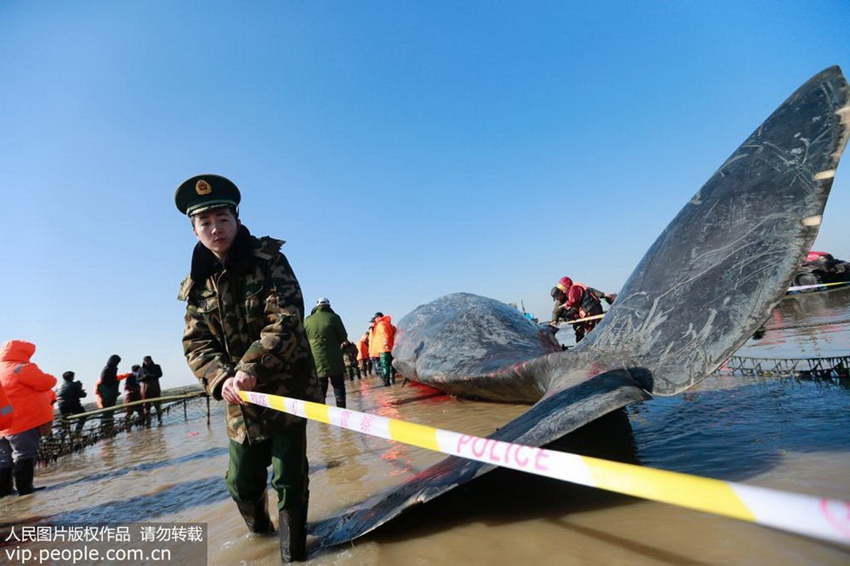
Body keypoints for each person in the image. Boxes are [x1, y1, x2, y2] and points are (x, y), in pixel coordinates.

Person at [175, 174, 322, 563]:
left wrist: (252, 365)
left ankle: (293, 554)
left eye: (222, 218)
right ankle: (260, 537)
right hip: (239, 398)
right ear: (194, 229)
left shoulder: (268, 259)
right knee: (241, 481)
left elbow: (287, 317)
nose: (215, 228)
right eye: (204, 222)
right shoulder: (196, 285)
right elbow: (196, 343)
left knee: (290, 478)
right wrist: (222, 378)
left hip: (287, 389)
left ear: (237, 220)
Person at [0, 340, 57, 496]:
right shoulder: (20, 368)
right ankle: (25, 488)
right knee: (24, 454)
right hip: (23, 422)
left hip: (3, 424)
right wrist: (52, 378)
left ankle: (4, 491)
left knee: (4, 458)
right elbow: (47, 383)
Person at [304, 298, 350, 408]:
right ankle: (341, 412)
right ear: (329, 306)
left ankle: (322, 419)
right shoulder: (334, 318)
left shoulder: (307, 320)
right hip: (334, 359)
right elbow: (343, 337)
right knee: (338, 386)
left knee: (320, 389)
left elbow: (303, 339)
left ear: (316, 307)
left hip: (316, 360)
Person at [550, 276, 616, 342]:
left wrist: (604, 295)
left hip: (586, 312)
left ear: (562, 291)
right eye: (557, 298)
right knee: (580, 331)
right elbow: (555, 311)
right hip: (578, 317)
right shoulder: (560, 301)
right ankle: (583, 343)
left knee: (596, 329)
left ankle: (599, 342)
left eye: (558, 297)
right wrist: (554, 320)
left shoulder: (575, 288)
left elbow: (592, 291)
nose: (558, 299)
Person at [96, 354, 123, 433]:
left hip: (111, 392)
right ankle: (105, 428)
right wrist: (112, 385)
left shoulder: (112, 369)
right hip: (107, 392)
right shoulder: (108, 369)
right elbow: (104, 380)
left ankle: (108, 427)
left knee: (109, 411)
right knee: (107, 411)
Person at [372, 312, 397, 386]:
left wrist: (385, 343)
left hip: (384, 348)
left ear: (379, 317)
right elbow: (394, 330)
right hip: (390, 347)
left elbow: (384, 334)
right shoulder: (388, 324)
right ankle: (392, 380)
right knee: (391, 365)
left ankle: (386, 382)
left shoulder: (381, 324)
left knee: (384, 365)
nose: (375, 319)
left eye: (376, 318)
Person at [138, 355, 163, 426]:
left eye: (148, 361)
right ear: (144, 361)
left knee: (157, 405)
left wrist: (151, 376)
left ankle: (160, 419)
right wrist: (144, 377)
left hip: (155, 388)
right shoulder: (141, 369)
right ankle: (148, 421)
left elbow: (160, 374)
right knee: (146, 406)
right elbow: (137, 379)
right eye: (146, 361)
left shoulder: (156, 366)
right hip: (145, 389)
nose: (147, 362)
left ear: (151, 360)